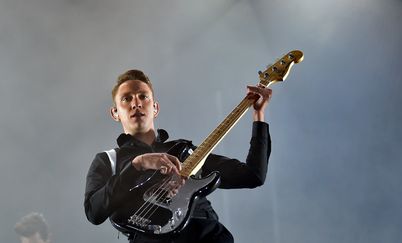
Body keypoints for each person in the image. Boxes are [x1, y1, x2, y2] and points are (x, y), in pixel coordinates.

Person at [84, 69, 272, 242]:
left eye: (143, 96)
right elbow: (94, 211)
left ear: (155, 108)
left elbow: (253, 175)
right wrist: (137, 165)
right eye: (126, 99)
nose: (136, 103)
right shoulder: (108, 160)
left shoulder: (186, 151)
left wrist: (258, 115)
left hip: (204, 236)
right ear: (115, 113)